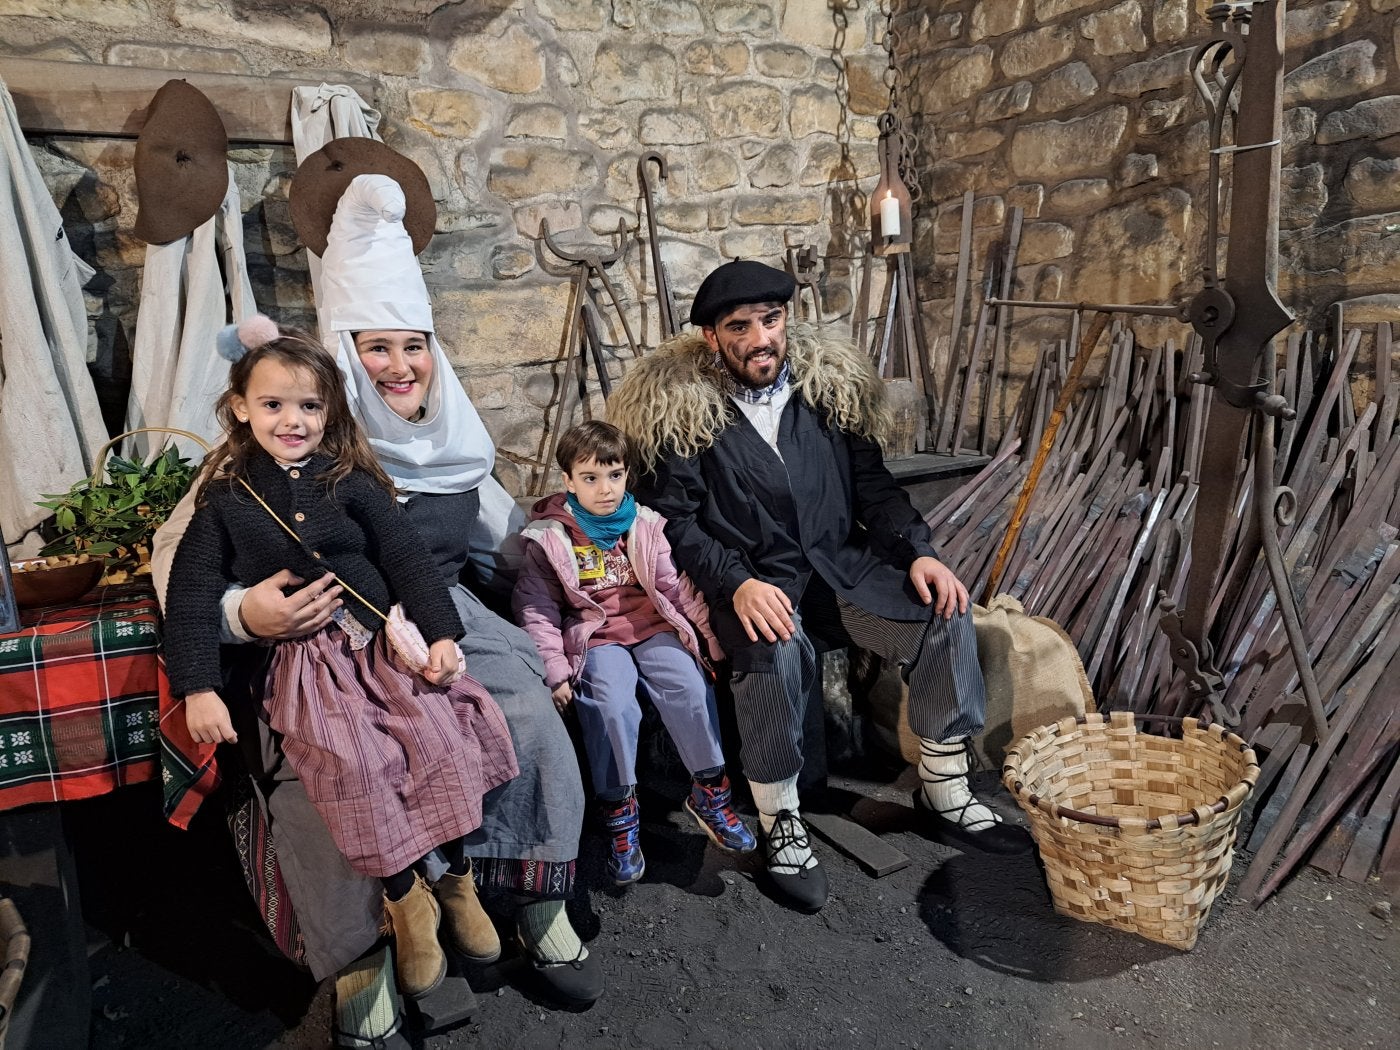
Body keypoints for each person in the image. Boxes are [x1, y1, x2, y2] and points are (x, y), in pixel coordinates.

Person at [153, 145, 598, 1047]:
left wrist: (583, 580)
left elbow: (498, 544)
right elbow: (182, 566)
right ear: (342, 366)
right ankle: (359, 949)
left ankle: (526, 890)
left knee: (521, 706)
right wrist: (247, 616)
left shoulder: (453, 439)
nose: (400, 368)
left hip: (422, 611)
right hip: (300, 634)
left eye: (414, 348)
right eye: (377, 349)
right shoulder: (267, 463)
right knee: (324, 769)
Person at [608, 259, 1029, 914]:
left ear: (786, 321)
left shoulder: (825, 395)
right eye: (739, 326)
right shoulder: (684, 416)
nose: (759, 339)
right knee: (772, 649)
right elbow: (678, 524)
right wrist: (737, 582)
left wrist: (919, 552)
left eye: (770, 320)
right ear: (713, 338)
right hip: (756, 582)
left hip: (840, 570)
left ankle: (943, 788)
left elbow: (874, 486)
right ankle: (781, 821)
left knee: (941, 610)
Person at [164, 322, 518, 1001]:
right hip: (310, 667)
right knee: (355, 768)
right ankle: (404, 898)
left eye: (309, 406)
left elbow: (406, 558)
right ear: (241, 406)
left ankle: (456, 879)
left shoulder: (349, 481)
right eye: (273, 405)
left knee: (443, 739)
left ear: (329, 410)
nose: (292, 420)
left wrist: (442, 635)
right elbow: (190, 594)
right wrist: (198, 687)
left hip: (382, 644)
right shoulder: (228, 498)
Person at [512, 421, 756, 885]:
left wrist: (707, 640)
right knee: (609, 703)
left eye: (614, 475)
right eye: (590, 478)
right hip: (597, 636)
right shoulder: (550, 536)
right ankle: (620, 812)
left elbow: (675, 588)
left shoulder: (644, 524)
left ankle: (709, 791)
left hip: (653, 626)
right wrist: (555, 671)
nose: (605, 490)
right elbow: (536, 607)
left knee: (687, 683)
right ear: (567, 481)